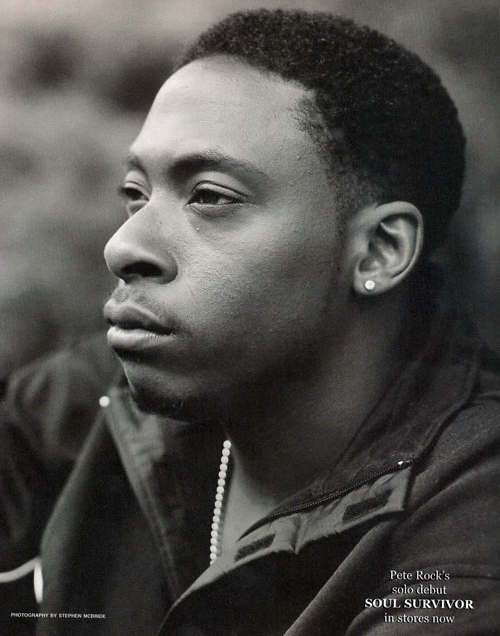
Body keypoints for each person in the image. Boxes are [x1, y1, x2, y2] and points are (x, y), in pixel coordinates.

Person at [1, 9, 499, 635]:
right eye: (135, 194)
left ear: (378, 251)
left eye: (210, 196)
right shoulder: (88, 402)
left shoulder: (472, 515)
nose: (123, 246)